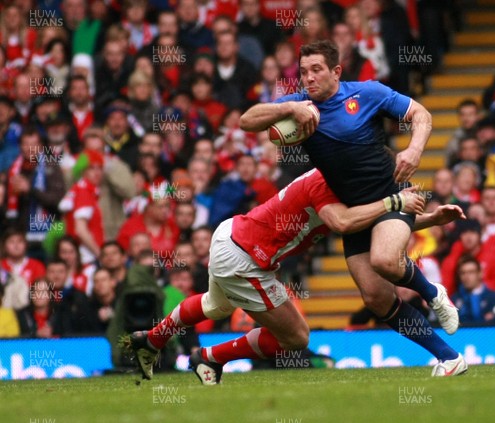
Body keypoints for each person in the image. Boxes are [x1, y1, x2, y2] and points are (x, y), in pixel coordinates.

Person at [239, 40, 465, 374]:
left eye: (317, 70)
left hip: (393, 193)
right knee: (376, 298)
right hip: (357, 211)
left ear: (336, 71)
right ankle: (449, 358)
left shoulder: (367, 93)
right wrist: (289, 109)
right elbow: (247, 120)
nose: (309, 78)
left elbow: (421, 114)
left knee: (385, 260)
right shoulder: (301, 104)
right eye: (303, 72)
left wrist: (415, 150)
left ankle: (432, 293)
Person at [128, 167, 466, 383]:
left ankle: (155, 339)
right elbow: (347, 223)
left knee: (215, 306)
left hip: (231, 234)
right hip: (246, 260)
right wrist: (396, 201)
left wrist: (430, 219)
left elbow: (371, 223)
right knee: (297, 338)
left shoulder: (339, 183)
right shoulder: (327, 186)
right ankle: (212, 357)